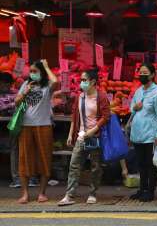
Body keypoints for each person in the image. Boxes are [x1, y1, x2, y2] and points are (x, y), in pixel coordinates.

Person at [58, 69, 110, 206]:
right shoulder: (79, 96)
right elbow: (75, 117)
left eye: (84, 80)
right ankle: (69, 195)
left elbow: (106, 116)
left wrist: (93, 130)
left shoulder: (101, 96)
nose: (81, 83)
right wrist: (70, 134)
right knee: (74, 165)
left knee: (95, 166)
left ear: (93, 82)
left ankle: (93, 193)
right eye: (81, 80)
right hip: (81, 136)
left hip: (95, 136)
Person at [15, 60, 59, 204]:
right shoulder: (25, 85)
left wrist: (46, 66)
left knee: (44, 158)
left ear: (42, 73)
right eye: (31, 71)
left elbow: (55, 81)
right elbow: (16, 101)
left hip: (43, 125)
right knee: (24, 158)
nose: (32, 74)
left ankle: (42, 193)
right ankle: (25, 194)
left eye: (35, 71)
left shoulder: (47, 87)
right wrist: (25, 92)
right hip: (26, 126)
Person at [129, 63, 157, 202]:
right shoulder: (138, 91)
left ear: (152, 75)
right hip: (137, 134)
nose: (142, 75)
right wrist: (135, 108)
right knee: (140, 163)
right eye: (140, 72)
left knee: (150, 164)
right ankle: (142, 188)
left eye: (145, 73)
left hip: (150, 135)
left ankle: (150, 191)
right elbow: (131, 108)